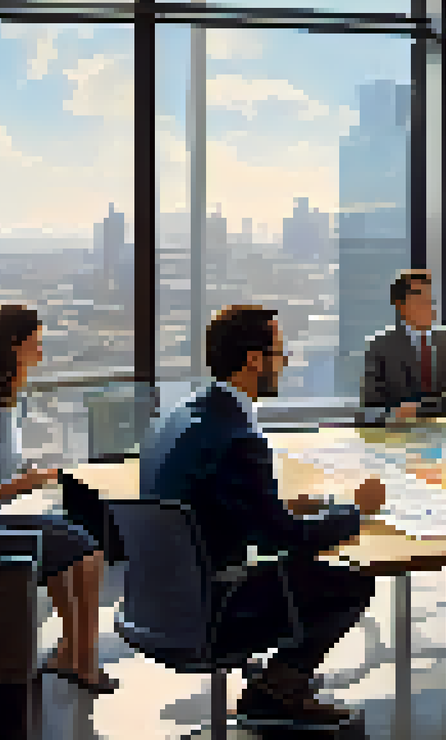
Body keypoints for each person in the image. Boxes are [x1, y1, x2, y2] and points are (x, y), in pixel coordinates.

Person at [141, 305, 385, 724]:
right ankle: (278, 690)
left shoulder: (183, 415)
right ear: (254, 360)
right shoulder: (238, 436)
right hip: (212, 607)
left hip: (158, 599)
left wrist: (281, 506)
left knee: (311, 569)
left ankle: (276, 686)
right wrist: (355, 512)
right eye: (279, 353)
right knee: (349, 580)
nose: (284, 363)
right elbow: (282, 540)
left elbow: (219, 502)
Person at [0, 305, 116, 694]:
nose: (42, 352)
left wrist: (33, 475)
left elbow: (0, 466)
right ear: (14, 347)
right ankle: (84, 661)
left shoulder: (7, 399)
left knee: (70, 536)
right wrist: (24, 483)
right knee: (88, 551)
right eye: (37, 343)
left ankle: (70, 651)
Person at [361, 269, 446, 424]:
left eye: (430, 298)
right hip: (400, 433)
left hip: (445, 432)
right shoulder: (380, 347)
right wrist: (395, 414)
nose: (428, 304)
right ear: (401, 305)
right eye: (419, 298)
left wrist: (420, 410)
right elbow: (370, 410)